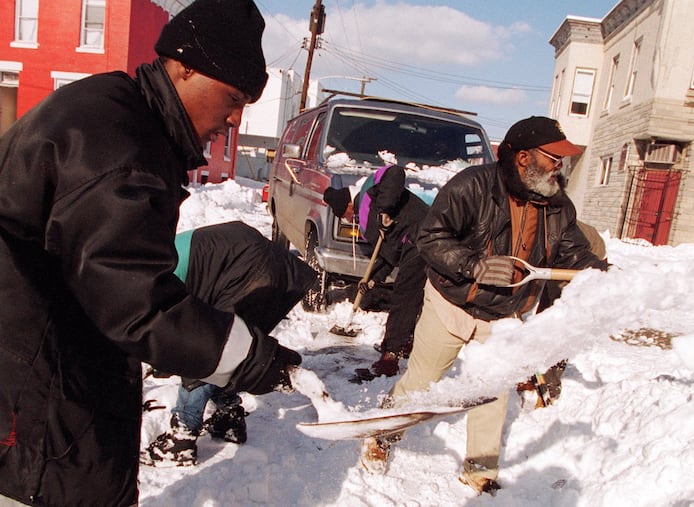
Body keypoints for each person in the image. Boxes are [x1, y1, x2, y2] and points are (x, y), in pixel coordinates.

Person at [0, 1, 304, 505]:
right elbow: (139, 301)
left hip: (62, 378)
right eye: (232, 97)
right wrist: (253, 358)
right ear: (184, 65)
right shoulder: (115, 145)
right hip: (36, 409)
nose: (234, 119)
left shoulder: (121, 117)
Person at [359, 116, 609, 495]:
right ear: (524, 158)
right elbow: (431, 237)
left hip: (505, 315)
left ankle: (480, 470)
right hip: (452, 305)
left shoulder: (557, 203)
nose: (561, 167)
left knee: (491, 391)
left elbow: (573, 252)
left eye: (562, 159)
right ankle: (383, 433)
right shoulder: (471, 187)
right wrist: (473, 265)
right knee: (422, 382)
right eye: (553, 158)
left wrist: (602, 273)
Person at [143, 221, 315, 467]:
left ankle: (181, 440)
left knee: (204, 350)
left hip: (249, 271)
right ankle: (228, 418)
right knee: (230, 348)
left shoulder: (149, 275)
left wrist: (163, 361)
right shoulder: (148, 259)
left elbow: (175, 331)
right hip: (260, 265)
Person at [323, 164, 429, 378]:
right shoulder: (364, 223)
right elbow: (388, 255)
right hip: (410, 244)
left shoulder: (370, 192)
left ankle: (391, 355)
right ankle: (406, 342)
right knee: (412, 295)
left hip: (423, 234)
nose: (345, 219)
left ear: (346, 206)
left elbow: (396, 172)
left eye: (342, 214)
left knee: (405, 295)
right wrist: (372, 279)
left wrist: (384, 209)